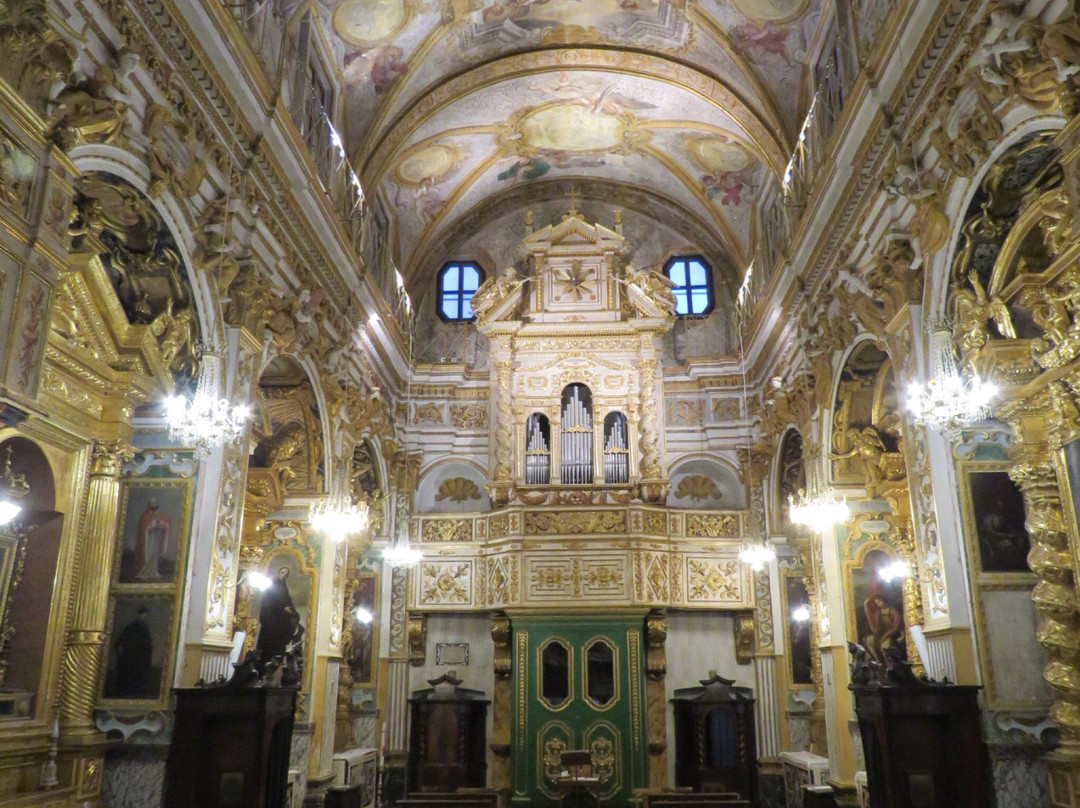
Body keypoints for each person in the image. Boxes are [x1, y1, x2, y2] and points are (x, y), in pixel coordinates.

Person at [256, 566, 300, 666]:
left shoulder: (284, 587)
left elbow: (287, 601)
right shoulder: (271, 585)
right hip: (271, 620)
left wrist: (291, 611)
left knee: (295, 620)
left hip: (280, 622)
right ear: (279, 572)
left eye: (286, 574)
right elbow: (269, 604)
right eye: (282, 572)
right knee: (267, 650)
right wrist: (283, 609)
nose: (284, 575)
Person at [113, 607, 153, 698]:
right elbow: (122, 641)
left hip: (138, 658)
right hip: (132, 658)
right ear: (141, 615)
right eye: (144, 615)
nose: (146, 617)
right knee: (130, 677)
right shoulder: (134, 626)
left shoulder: (143, 627)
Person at [131, 498, 172, 581]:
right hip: (148, 539)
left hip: (155, 538)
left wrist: (161, 526)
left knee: (154, 555)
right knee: (149, 555)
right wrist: (151, 528)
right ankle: (146, 572)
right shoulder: (145, 516)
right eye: (153, 506)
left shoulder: (157, 515)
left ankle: (153, 571)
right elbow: (144, 528)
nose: (154, 508)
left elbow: (164, 523)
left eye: (155, 506)